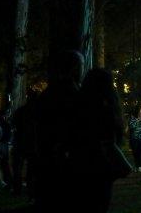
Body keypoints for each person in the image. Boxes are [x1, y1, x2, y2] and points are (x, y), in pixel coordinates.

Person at [33, 50, 84, 212]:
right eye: (81, 65)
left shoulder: (50, 92)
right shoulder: (70, 93)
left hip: (50, 156)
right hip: (63, 157)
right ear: (75, 67)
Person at [75, 68, 125, 212]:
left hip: (81, 161)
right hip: (103, 163)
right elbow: (116, 134)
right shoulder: (110, 108)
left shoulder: (80, 105)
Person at [12, 88, 39, 197]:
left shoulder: (20, 111)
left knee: (19, 167)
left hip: (21, 142)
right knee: (31, 168)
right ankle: (30, 189)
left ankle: (18, 189)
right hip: (31, 143)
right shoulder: (36, 113)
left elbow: (16, 125)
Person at [129, 104, 141, 172]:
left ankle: (140, 167)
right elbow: (131, 126)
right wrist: (138, 120)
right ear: (137, 111)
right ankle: (136, 166)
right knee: (135, 153)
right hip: (134, 139)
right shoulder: (132, 118)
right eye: (140, 111)